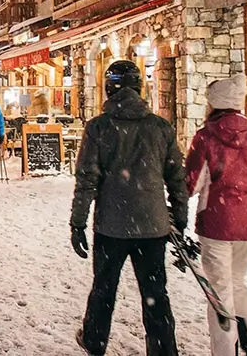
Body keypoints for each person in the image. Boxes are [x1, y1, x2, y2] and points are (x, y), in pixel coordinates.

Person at [70, 60, 187, 356]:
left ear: (110, 90)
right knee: (155, 293)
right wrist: (179, 217)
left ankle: (95, 340)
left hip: (112, 224)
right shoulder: (160, 127)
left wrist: (78, 222)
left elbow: (87, 178)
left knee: (104, 289)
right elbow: (176, 176)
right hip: (152, 224)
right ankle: (163, 349)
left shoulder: (99, 128)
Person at [185, 74, 247, 356]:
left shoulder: (206, 138)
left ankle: (224, 351)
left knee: (220, 291)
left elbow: (192, 182)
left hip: (217, 221)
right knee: (236, 281)